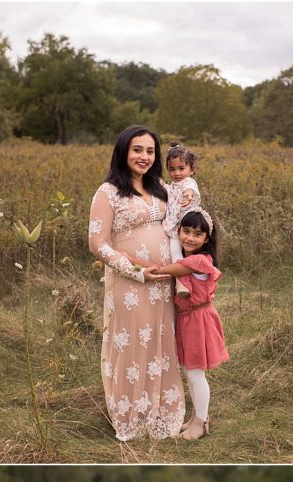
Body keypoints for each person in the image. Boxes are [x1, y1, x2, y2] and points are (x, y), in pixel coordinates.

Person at [89, 126, 188, 442]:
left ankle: (161, 409)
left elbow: (185, 215)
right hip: (131, 284)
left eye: (149, 151)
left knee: (161, 342)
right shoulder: (108, 193)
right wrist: (134, 269)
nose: (144, 156)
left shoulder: (159, 187)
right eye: (137, 149)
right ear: (123, 151)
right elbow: (97, 244)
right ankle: (132, 415)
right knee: (133, 344)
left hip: (163, 282)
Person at [150, 209, 228, 440]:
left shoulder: (198, 261)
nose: (190, 238)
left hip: (198, 320)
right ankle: (195, 417)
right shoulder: (187, 258)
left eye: (197, 234)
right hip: (187, 319)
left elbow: (163, 271)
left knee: (195, 374)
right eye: (186, 231)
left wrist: (132, 262)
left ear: (207, 239)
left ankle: (201, 422)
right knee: (189, 372)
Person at [161, 145, 202, 298]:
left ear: (191, 170)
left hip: (185, 228)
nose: (177, 173)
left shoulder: (188, 183)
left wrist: (188, 195)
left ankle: (181, 282)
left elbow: (189, 188)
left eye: (181, 168)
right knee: (176, 254)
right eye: (172, 169)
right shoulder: (172, 186)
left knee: (178, 255)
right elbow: (166, 191)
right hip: (174, 229)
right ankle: (184, 281)